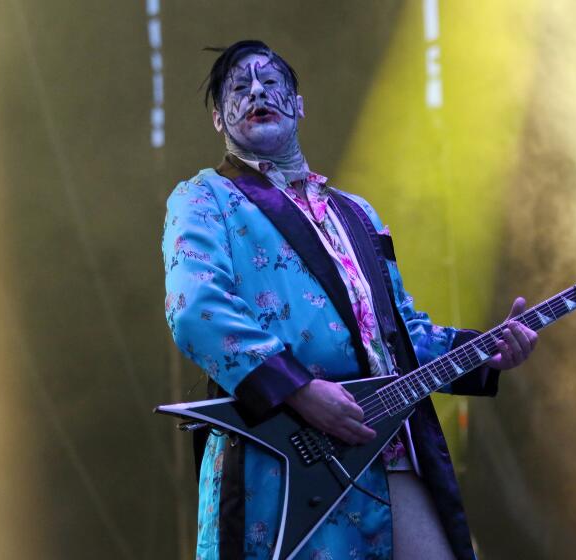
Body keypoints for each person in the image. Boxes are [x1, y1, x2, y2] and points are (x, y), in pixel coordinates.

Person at [162, 39, 538, 560]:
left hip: (384, 444)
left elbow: (400, 332)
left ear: (298, 105)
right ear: (218, 120)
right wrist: (299, 391)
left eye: (271, 84)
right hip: (282, 453)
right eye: (238, 88)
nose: (256, 93)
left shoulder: (356, 213)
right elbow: (197, 310)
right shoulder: (204, 198)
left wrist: (487, 350)